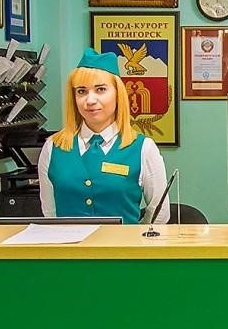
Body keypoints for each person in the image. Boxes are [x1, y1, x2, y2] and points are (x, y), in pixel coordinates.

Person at [38, 48, 169, 223]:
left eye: (100, 89)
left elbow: (160, 214)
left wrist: (136, 237)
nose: (90, 100)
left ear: (118, 94)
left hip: (123, 241)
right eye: (82, 91)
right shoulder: (52, 147)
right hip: (69, 242)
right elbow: (50, 213)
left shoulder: (143, 148)